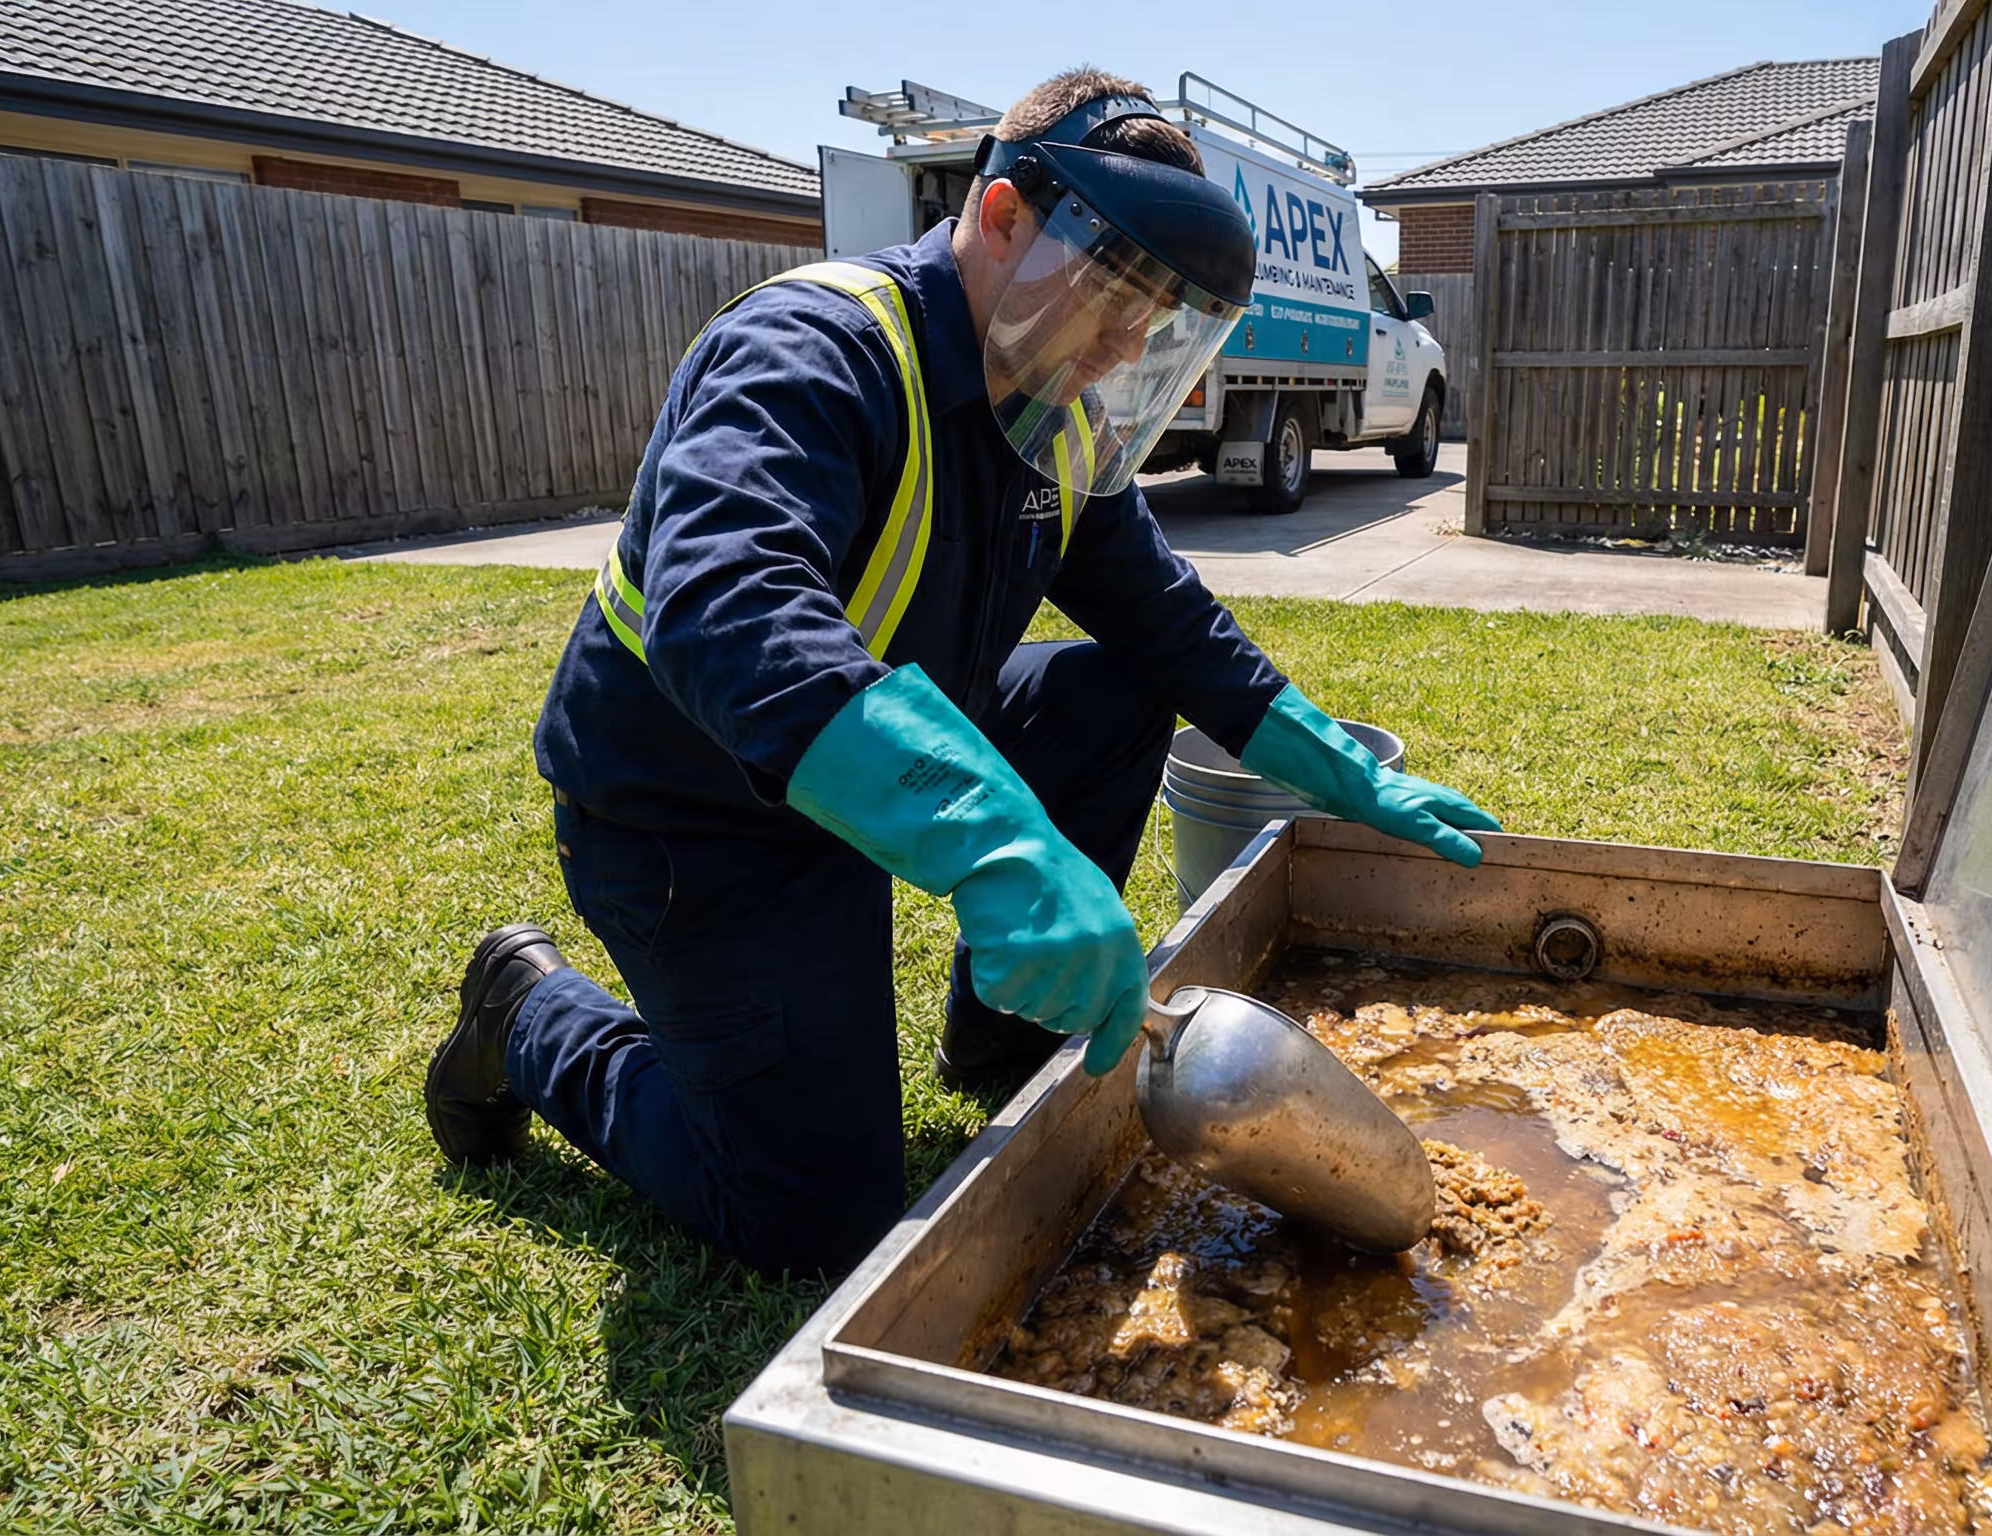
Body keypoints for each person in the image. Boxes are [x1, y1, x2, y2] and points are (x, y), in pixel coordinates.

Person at [421, 69, 1500, 1278]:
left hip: (878, 762)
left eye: (1158, 321)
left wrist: (1338, 770)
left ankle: (1002, 1035)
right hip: (700, 811)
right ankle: (525, 1013)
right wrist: (998, 844)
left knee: (1120, 685)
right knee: (811, 1220)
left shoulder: (1058, 409)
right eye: (1112, 296)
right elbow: (725, 611)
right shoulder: (808, 349)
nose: (1125, 348)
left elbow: (1170, 626)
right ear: (1000, 219)